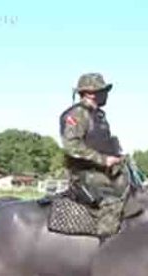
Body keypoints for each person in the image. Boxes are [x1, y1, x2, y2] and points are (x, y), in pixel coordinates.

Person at [59, 73, 129, 239]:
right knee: (111, 202)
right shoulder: (76, 115)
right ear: (91, 93)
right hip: (85, 176)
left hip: (103, 173)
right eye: (103, 91)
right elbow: (72, 146)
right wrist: (104, 160)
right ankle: (107, 248)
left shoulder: (99, 116)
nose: (106, 95)